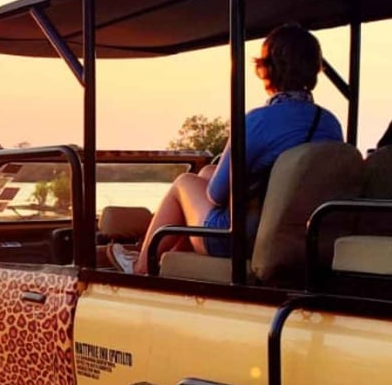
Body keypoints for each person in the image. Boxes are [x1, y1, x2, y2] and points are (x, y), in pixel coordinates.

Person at [122, 23, 344, 274]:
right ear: (313, 68)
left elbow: (216, 195)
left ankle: (139, 267)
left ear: (267, 68)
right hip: (299, 238)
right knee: (206, 173)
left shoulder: (257, 122)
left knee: (184, 182)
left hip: (239, 239)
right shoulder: (329, 123)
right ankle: (168, 262)